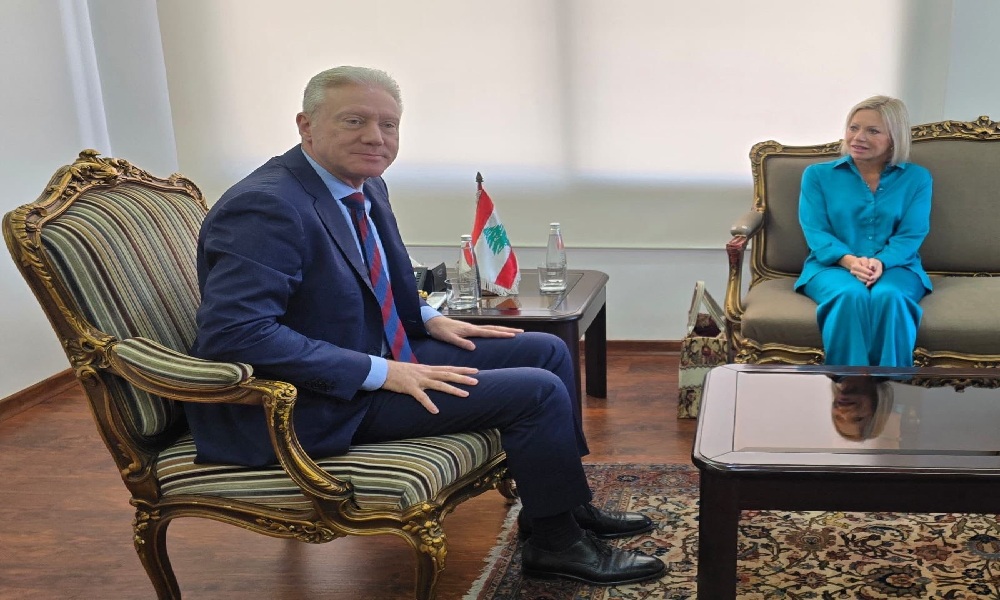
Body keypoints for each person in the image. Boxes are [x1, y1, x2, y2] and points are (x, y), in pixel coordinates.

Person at [186, 65, 665, 586]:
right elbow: (236, 333)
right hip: (309, 400)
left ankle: (563, 508)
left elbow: (380, 273)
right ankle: (556, 545)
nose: (376, 137)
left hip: (372, 353)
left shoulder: (364, 183)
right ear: (306, 125)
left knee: (547, 350)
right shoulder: (267, 206)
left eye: (388, 124)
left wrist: (430, 319)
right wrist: (382, 372)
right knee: (537, 391)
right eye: (354, 121)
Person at [794, 95, 933, 366]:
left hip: (897, 267)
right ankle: (851, 386)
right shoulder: (817, 175)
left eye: (873, 131)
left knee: (890, 296)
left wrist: (881, 262)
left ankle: (891, 387)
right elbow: (815, 230)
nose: (858, 138)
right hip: (831, 266)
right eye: (854, 128)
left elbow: (911, 234)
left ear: (894, 138)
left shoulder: (917, 178)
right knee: (849, 295)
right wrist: (849, 261)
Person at [829, 375, 894, 440]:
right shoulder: (894, 370)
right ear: (877, 408)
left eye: (839, 417)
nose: (844, 413)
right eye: (857, 418)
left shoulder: (829, 371)